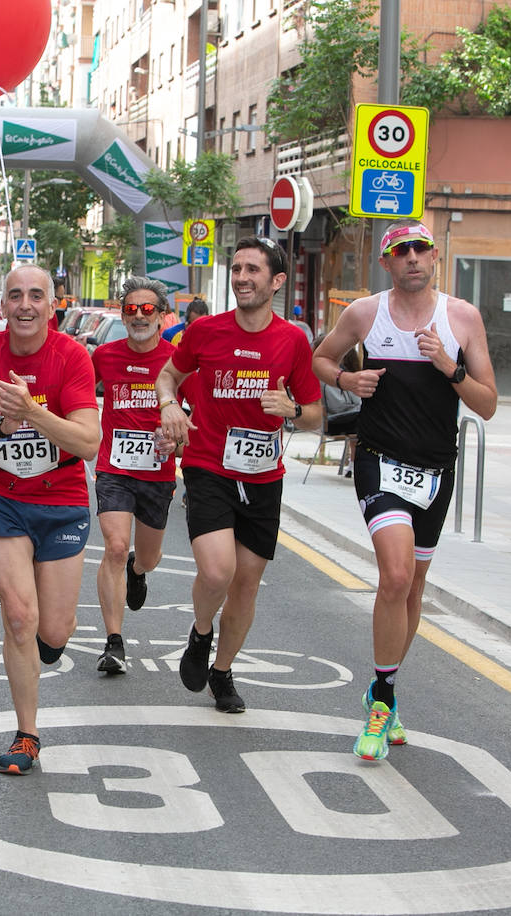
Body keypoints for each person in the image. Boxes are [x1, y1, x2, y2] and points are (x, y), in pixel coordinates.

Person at [312, 219, 497, 761]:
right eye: (400, 250)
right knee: (393, 576)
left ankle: (384, 690)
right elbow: (320, 358)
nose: (412, 257)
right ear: (386, 262)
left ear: (435, 257)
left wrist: (450, 366)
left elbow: (486, 403)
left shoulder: (462, 318)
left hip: (437, 469)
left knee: (412, 588)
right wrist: (348, 381)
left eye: (420, 248)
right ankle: (382, 697)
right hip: (379, 461)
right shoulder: (365, 314)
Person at [0, 263, 100, 774]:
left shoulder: (73, 356)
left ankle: (44, 648)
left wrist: (31, 413)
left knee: (55, 629)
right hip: (1, 499)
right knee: (19, 617)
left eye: (36, 296)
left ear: (52, 306)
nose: (25, 305)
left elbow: (88, 443)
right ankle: (27, 734)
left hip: (62, 501)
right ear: (2, 306)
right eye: (15, 296)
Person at [156, 236, 323, 715]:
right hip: (209, 465)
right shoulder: (205, 331)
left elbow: (313, 414)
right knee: (217, 570)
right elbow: (168, 375)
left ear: (276, 281)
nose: (242, 278)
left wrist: (292, 410)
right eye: (237, 269)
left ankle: (223, 671)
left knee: (247, 583)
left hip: (264, 477)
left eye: (253, 270)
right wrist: (170, 405)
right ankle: (200, 633)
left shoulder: (292, 340)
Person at [90, 276, 178, 674]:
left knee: (149, 556)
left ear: (162, 315)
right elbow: (75, 393)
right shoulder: (104, 356)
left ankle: (137, 569)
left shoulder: (178, 361)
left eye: (147, 310)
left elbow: (199, 420)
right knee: (112, 545)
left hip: (158, 472)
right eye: (131, 309)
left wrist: (178, 440)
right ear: (121, 313)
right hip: (114, 468)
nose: (139, 316)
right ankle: (113, 643)